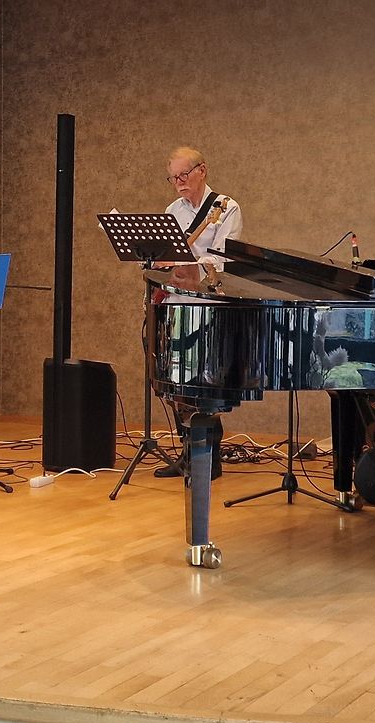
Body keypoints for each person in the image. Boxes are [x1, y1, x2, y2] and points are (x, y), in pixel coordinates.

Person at [153, 147, 243, 478]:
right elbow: (165, 255)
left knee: (203, 382)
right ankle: (188, 450)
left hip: (208, 305)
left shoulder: (227, 207)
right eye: (173, 177)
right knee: (173, 380)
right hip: (174, 302)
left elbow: (224, 259)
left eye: (184, 175)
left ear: (201, 170)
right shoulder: (172, 211)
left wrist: (194, 266)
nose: (179, 182)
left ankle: (209, 458)